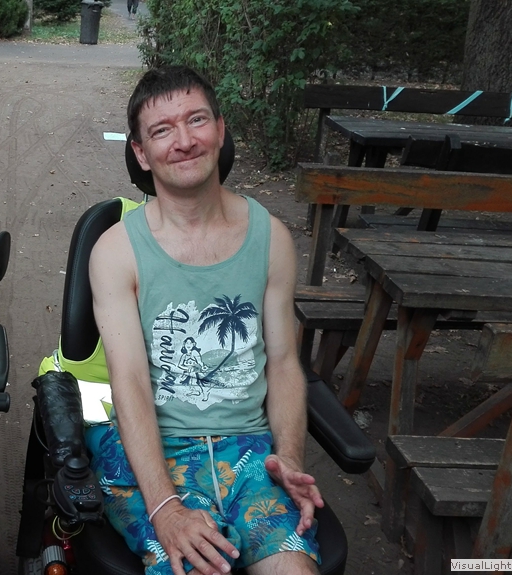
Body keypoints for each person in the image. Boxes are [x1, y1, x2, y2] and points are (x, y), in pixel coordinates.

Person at [87, 66, 323, 574]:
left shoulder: (272, 239)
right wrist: (165, 508)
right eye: (162, 130)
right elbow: (129, 382)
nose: (184, 141)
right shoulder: (116, 251)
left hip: (252, 454)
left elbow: (283, 363)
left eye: (196, 120)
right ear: (140, 152)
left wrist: (290, 457)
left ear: (220, 129)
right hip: (154, 453)